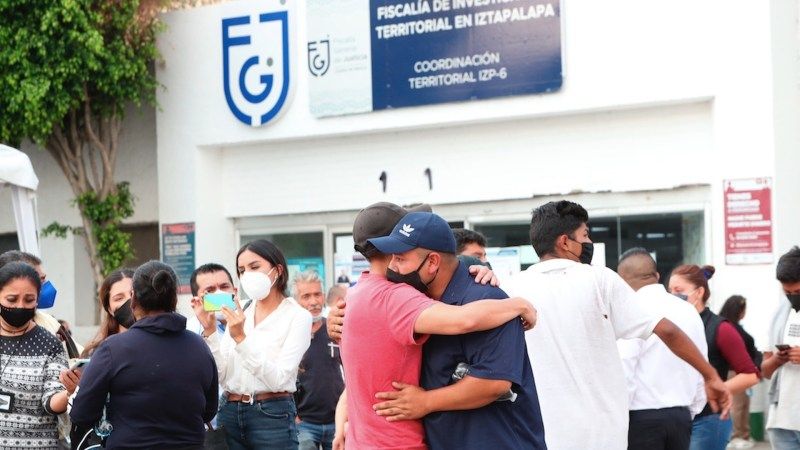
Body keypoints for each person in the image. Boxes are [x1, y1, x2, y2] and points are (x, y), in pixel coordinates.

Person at [503, 200, 730, 450]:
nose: (588, 243)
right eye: (585, 235)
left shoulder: (512, 288)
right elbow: (666, 330)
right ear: (565, 242)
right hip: (602, 435)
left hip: (539, 433)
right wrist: (711, 376)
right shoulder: (600, 280)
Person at [332, 203, 537, 450]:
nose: (394, 267)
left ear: (432, 262)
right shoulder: (399, 298)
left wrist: (426, 401)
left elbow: (494, 383)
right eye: (393, 257)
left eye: (401, 258)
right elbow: (463, 319)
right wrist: (519, 305)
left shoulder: (484, 298)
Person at [71, 261, 219, 449]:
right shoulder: (199, 346)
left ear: (133, 300)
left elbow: (82, 414)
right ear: (174, 300)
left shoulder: (112, 349)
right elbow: (208, 411)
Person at [195, 240, 313, 450]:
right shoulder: (242, 312)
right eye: (242, 270)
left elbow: (279, 379)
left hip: (271, 414)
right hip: (229, 410)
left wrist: (241, 338)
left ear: (277, 270)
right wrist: (211, 332)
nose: (247, 275)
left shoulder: (297, 316)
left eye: (254, 267)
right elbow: (221, 375)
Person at [616, 248, 708, 450]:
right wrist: (689, 411)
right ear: (657, 276)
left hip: (640, 419)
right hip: (681, 417)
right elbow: (700, 364)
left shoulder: (631, 309)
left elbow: (625, 366)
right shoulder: (689, 310)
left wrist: (619, 419)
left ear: (621, 281)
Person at [668, 264, 759, 450]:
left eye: (678, 291)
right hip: (676, 419)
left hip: (708, 421)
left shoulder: (721, 328)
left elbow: (751, 374)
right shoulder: (669, 327)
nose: (672, 297)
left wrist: (716, 390)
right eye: (669, 291)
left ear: (699, 292)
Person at [61, 268, 135, 449]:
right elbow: (80, 411)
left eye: (133, 294)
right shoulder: (97, 352)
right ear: (109, 308)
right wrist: (75, 390)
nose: (128, 302)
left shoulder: (160, 344)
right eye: (119, 298)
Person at [0, 262, 70, 449]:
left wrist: (71, 391)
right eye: (12, 299)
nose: (20, 306)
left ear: (38, 300)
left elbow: (52, 401)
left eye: (29, 300)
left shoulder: (50, 344)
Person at [292, 271, 344, 450]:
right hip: (304, 423)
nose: (313, 301)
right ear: (296, 301)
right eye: (306, 296)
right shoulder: (290, 334)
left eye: (317, 294)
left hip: (337, 420)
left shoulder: (336, 328)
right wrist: (293, 416)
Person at [762, 246, 800, 450]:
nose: (793, 297)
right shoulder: (779, 315)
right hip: (782, 421)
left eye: (798, 292)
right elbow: (765, 371)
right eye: (788, 292)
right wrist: (777, 359)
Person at [719, 295, 761, 449]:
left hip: (744, 373)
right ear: (739, 310)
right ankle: (735, 436)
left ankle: (743, 434)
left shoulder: (735, 327)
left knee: (743, 405)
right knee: (737, 406)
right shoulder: (726, 327)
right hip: (733, 373)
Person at [187, 262, 235, 335]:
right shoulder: (190, 331)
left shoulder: (253, 319)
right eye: (209, 290)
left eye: (224, 287)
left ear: (235, 291)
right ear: (196, 300)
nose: (219, 293)